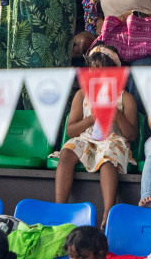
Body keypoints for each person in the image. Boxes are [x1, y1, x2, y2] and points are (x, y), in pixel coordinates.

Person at [55, 41, 137, 217]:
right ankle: (59, 207)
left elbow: (133, 135)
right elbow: (71, 131)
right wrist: (91, 118)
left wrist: (119, 117)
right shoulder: (82, 95)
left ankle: (108, 211)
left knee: (107, 158)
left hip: (113, 141)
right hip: (86, 140)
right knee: (67, 152)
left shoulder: (125, 98)